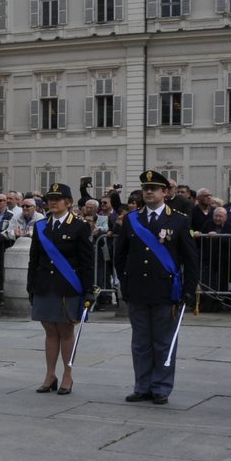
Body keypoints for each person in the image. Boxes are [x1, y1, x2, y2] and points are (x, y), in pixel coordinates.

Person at [113, 169, 197, 404]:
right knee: (140, 343)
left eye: (154, 188)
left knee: (163, 342)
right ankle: (142, 385)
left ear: (165, 192)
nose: (149, 192)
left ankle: (160, 386)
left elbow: (191, 258)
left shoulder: (179, 220)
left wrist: (190, 289)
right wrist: (125, 281)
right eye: (145, 188)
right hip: (137, 289)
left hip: (165, 290)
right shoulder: (131, 220)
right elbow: (120, 255)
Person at [27, 182, 94, 394]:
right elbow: (34, 260)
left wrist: (88, 290)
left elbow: (86, 262)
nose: (53, 202)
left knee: (65, 331)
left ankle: (67, 374)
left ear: (69, 202)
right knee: (49, 331)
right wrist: (31, 287)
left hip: (68, 287)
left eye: (58, 198)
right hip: (45, 286)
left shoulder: (80, 226)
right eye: (50, 199)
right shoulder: (41, 226)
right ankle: (49, 374)